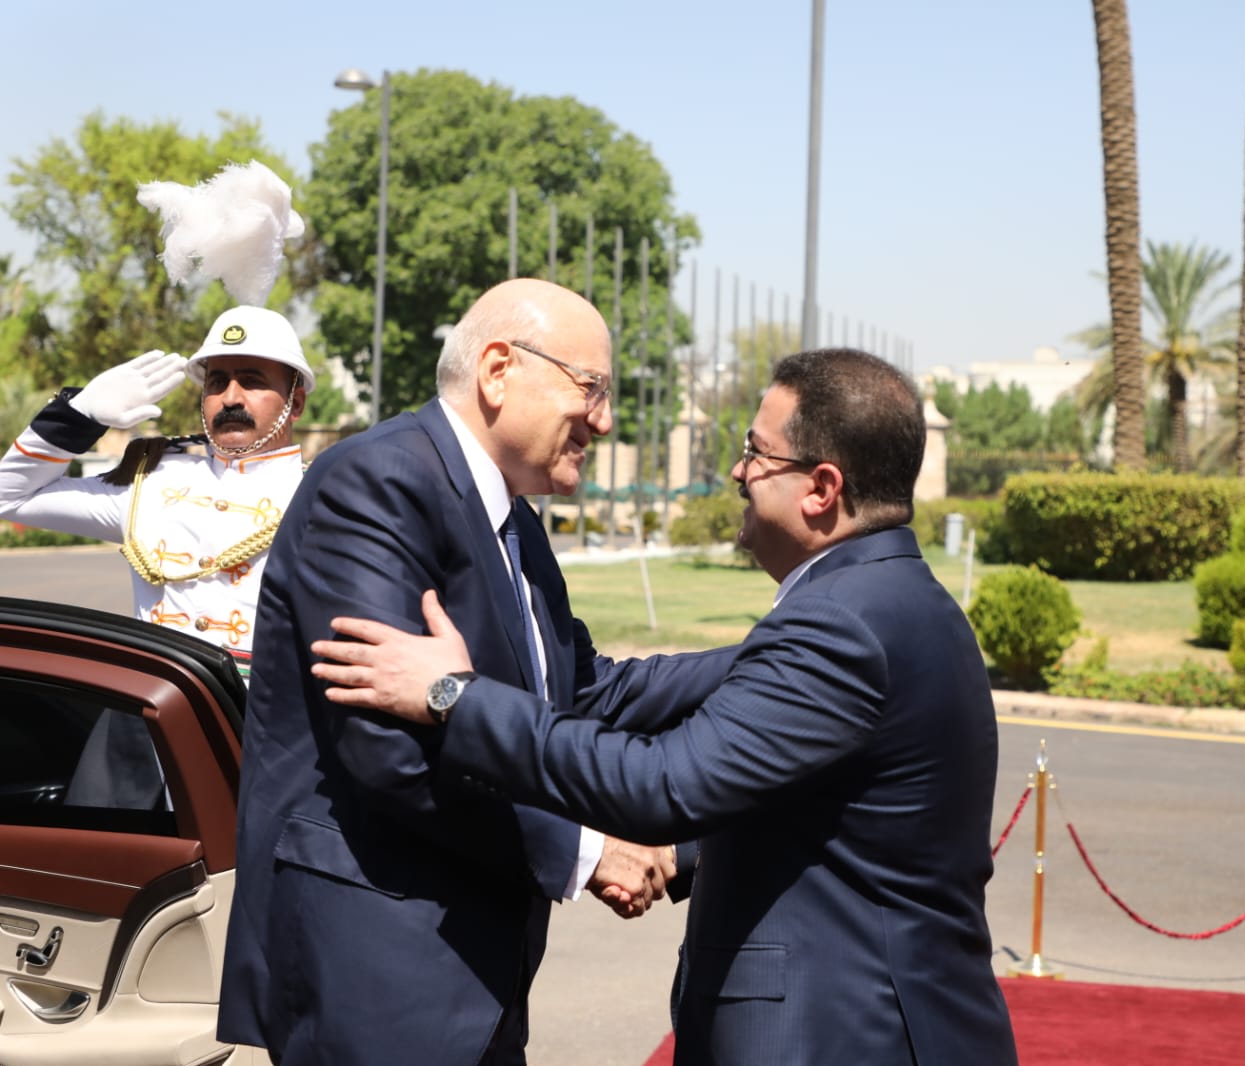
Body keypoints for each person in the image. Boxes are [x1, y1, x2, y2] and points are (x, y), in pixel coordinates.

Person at [311, 348, 1021, 1065]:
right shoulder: (895, 600)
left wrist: (452, 696)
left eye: (757, 453)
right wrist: (677, 856)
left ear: (821, 488)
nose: (738, 471)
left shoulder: (841, 623)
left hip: (841, 1036)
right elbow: (816, 810)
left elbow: (659, 784)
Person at [218, 278, 736, 1066]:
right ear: (498, 370)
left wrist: (781, 653)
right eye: (591, 388)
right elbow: (388, 750)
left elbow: (585, 693)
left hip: (474, 979)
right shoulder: (378, 482)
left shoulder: (512, 521)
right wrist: (588, 852)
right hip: (378, 976)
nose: (603, 420)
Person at [0, 304, 312, 683]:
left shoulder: (321, 495)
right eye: (216, 382)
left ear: (295, 403)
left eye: (251, 381)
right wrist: (79, 415)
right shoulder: (150, 481)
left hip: (263, 712)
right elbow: (8, 496)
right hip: (151, 707)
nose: (230, 397)